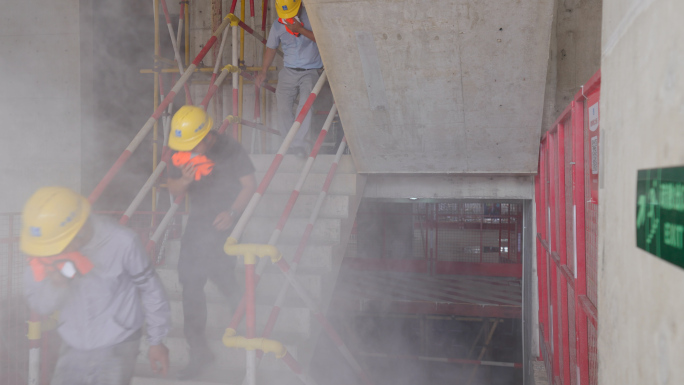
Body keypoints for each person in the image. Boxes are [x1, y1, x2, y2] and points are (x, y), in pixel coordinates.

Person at [22, 186, 171, 385]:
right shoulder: (44, 246)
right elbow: (40, 305)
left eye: (56, 247)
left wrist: (156, 341)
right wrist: (57, 285)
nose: (50, 253)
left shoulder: (123, 242)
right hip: (73, 341)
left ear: (79, 231)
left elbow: (151, 289)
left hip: (118, 341)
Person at [166, 105, 257, 379]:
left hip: (226, 222)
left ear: (208, 136)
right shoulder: (179, 148)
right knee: (190, 284)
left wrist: (232, 213)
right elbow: (172, 187)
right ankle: (199, 352)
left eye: (195, 144)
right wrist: (183, 180)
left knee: (221, 275)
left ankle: (240, 310)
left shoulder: (230, 148)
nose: (190, 149)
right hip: (197, 223)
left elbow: (249, 185)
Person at [255, 0, 322, 157]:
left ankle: (299, 146)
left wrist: (300, 29)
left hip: (311, 71)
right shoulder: (278, 24)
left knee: (305, 106)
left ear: (299, 5)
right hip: (288, 71)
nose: (287, 17)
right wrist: (263, 71)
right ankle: (288, 146)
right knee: (283, 108)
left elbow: (323, 40)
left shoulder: (312, 17)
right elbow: (271, 47)